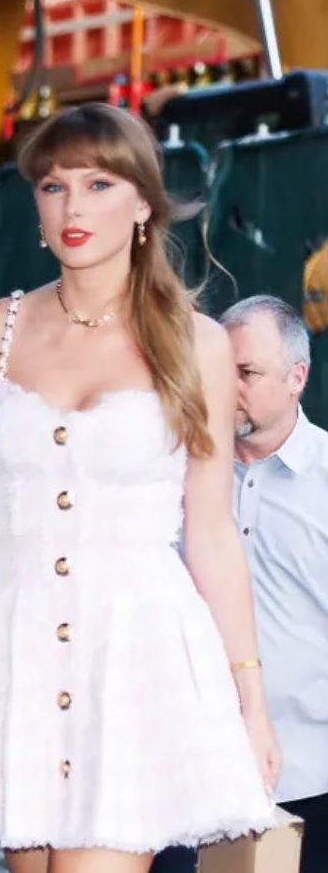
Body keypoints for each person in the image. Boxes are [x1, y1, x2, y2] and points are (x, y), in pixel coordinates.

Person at [0, 103, 280, 873]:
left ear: (143, 205)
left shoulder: (199, 345)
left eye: (97, 183)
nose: (73, 206)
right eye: (53, 187)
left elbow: (212, 533)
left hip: (136, 654)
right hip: (16, 645)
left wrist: (248, 700)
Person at [221, 295, 328, 873]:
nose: (226, 386)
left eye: (246, 372)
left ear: (297, 379)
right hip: (191, 774)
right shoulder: (176, 479)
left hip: (313, 778)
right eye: (218, 370)